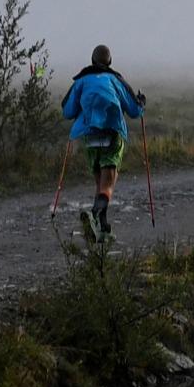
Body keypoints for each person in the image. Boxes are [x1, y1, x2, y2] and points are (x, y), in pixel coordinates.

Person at [61, 45, 147, 243]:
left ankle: (102, 226)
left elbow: (67, 111)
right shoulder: (115, 80)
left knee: (100, 181)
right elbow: (134, 110)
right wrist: (142, 102)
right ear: (109, 62)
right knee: (108, 182)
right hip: (112, 131)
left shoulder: (81, 81)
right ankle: (95, 215)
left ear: (92, 61)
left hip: (89, 135)